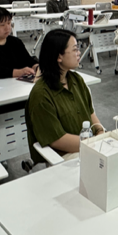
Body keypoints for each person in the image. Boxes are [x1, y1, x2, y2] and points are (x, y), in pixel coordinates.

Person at [25, 29, 105, 164]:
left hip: (89, 146)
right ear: (59, 57)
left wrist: (101, 132)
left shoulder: (76, 79)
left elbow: (90, 113)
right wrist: (93, 143)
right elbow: (57, 140)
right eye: (74, 49)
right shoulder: (41, 95)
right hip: (66, 157)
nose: (79, 53)